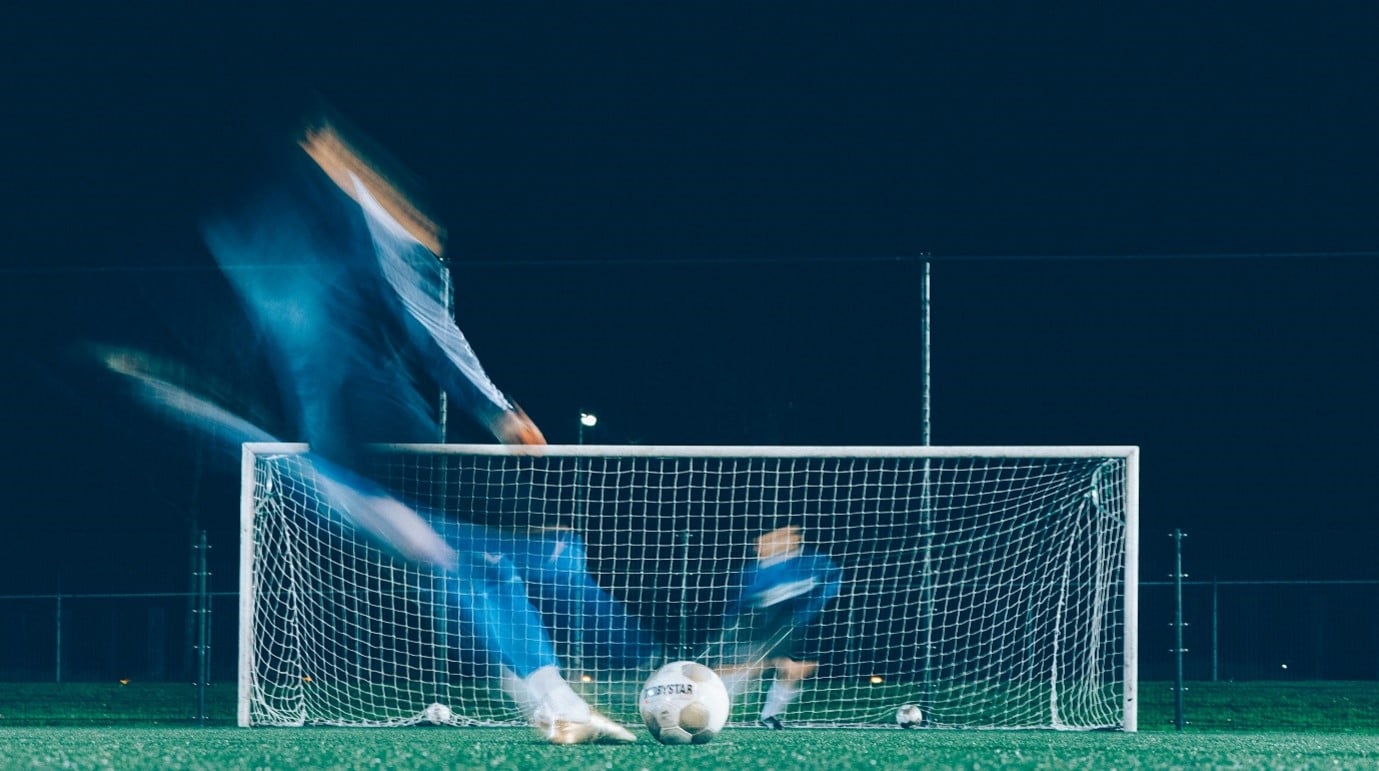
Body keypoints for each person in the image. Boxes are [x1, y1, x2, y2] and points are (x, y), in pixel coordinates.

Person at [200, 112, 648, 744]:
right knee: (542, 553)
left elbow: (269, 337)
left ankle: (549, 697)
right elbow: (428, 326)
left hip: (340, 461)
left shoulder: (280, 257)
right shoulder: (369, 242)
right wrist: (499, 410)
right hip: (385, 441)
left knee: (474, 565)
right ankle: (634, 665)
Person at [713, 524, 843, 729]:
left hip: (798, 620)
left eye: (785, 535)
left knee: (797, 668)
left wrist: (806, 613)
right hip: (756, 620)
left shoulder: (814, 563)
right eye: (765, 540)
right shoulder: (751, 572)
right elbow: (735, 603)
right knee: (742, 667)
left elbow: (831, 583)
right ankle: (711, 707)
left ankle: (770, 715)